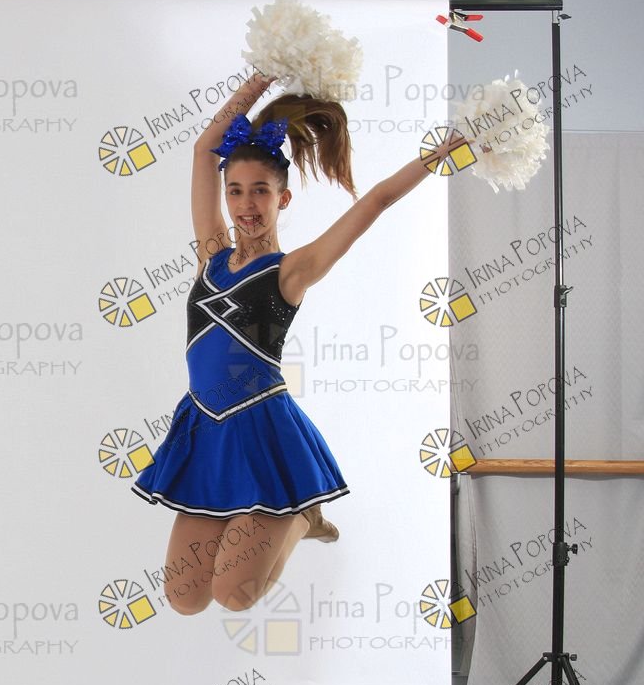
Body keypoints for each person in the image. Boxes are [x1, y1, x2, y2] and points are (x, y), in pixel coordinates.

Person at [131, 70, 461, 616]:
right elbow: (203, 150)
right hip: (204, 425)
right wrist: (261, 76)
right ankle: (292, 515)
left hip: (261, 427)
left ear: (282, 197)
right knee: (184, 598)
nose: (246, 204)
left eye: (260, 191)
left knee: (233, 595)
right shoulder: (211, 254)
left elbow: (377, 200)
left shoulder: (292, 270)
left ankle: (302, 517)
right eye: (236, 190)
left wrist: (440, 154)